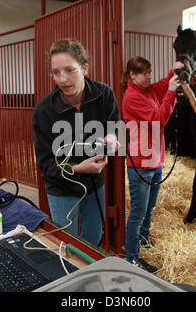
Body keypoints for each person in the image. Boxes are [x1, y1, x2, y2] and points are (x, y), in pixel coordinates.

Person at [32, 38, 120, 246]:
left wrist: (113, 137)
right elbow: (46, 165)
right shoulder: (44, 111)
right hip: (62, 188)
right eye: (56, 72)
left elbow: (116, 125)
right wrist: (77, 168)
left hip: (95, 184)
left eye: (70, 70)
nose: (62, 79)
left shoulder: (104, 94)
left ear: (85, 68)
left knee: (93, 239)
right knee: (67, 245)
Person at [121, 56, 183, 272]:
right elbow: (158, 120)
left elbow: (161, 86)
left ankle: (144, 240)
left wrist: (172, 73)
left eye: (150, 72)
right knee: (138, 212)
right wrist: (172, 92)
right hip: (140, 163)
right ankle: (132, 256)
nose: (149, 76)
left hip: (155, 160)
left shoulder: (147, 90)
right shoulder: (132, 97)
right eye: (145, 73)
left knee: (149, 208)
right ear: (133, 75)